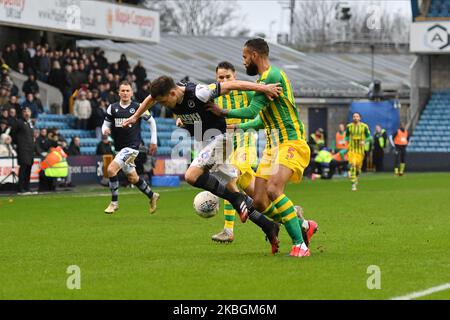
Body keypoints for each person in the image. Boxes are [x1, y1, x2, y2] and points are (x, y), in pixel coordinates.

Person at [123, 74, 284, 253]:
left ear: (173, 92)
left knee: (191, 176)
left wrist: (264, 88)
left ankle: (238, 201)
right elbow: (150, 99)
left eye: (163, 101)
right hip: (206, 143)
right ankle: (271, 225)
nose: (163, 106)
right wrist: (135, 117)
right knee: (237, 191)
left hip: (220, 139)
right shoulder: (171, 94)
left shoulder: (200, 93)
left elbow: (233, 85)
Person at [207, 38, 318, 257]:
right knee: (258, 200)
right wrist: (238, 126)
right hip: (271, 147)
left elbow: (251, 110)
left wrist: (223, 113)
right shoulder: (263, 82)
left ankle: (300, 245)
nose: (244, 61)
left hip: (290, 142)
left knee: (274, 190)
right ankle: (304, 226)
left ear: (254, 55)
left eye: (245, 57)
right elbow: (259, 121)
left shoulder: (271, 77)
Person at [102, 81, 158, 214]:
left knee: (111, 170)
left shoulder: (138, 107)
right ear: (119, 92)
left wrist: (153, 140)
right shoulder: (112, 108)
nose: (125, 93)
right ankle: (152, 195)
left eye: (128, 91)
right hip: (119, 148)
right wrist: (105, 130)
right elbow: (105, 124)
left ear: (132, 92)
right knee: (133, 178)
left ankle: (114, 203)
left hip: (132, 147)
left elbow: (151, 121)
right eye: (123, 91)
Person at [9, 106, 35, 193]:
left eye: (28, 111)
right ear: (22, 113)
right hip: (23, 149)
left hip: (30, 149)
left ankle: (27, 187)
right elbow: (12, 133)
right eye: (25, 111)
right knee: (23, 167)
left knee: (29, 168)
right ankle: (20, 188)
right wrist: (18, 144)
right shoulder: (19, 122)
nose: (27, 113)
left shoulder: (30, 123)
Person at [345, 112, 371, 191]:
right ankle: (353, 183)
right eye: (354, 116)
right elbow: (346, 136)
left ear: (360, 118)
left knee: (358, 168)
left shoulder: (364, 127)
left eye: (357, 116)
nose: (355, 118)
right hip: (352, 149)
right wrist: (346, 141)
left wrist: (364, 141)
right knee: (353, 164)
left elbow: (369, 137)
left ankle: (355, 177)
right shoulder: (349, 127)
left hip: (360, 151)